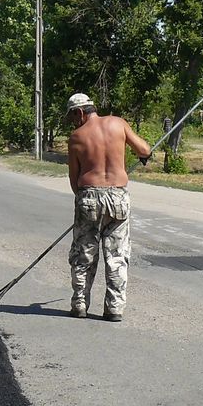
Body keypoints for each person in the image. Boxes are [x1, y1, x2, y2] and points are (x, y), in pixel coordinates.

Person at [66, 93, 151, 322]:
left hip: (88, 196)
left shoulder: (76, 137)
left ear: (80, 112)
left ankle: (80, 304)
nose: (72, 122)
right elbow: (144, 149)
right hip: (118, 196)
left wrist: (85, 205)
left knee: (84, 255)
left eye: (72, 116)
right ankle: (114, 308)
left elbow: (74, 180)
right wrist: (144, 155)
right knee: (117, 255)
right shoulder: (118, 123)